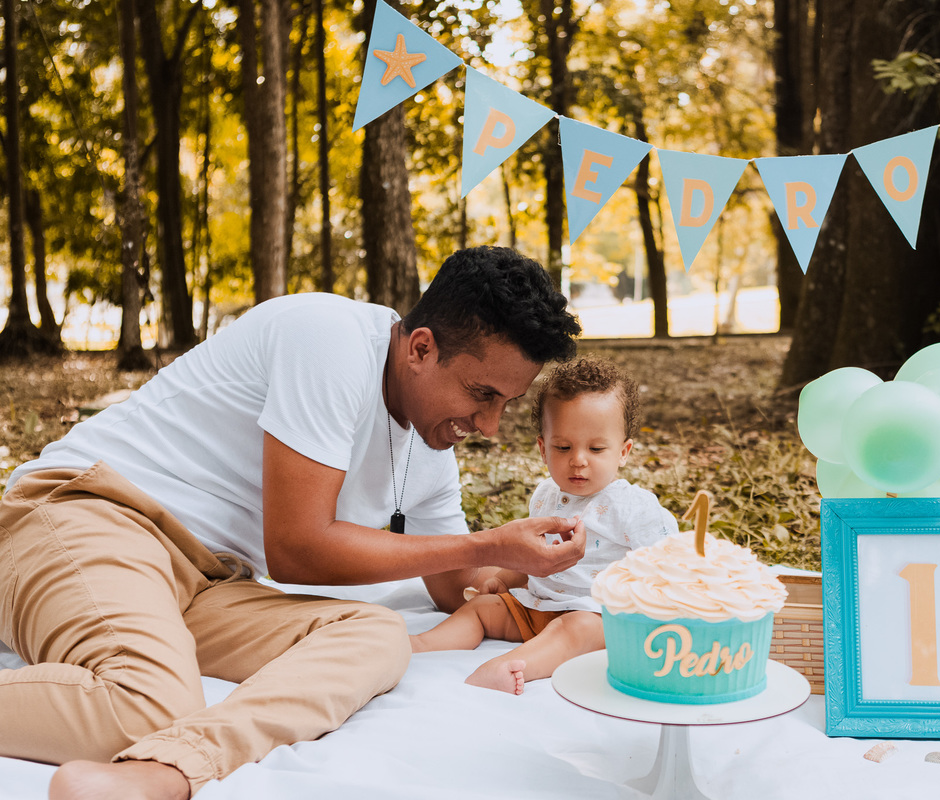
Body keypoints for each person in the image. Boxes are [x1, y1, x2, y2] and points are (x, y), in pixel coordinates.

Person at [0, 246, 586, 800]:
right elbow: (296, 549)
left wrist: (568, 575)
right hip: (92, 515)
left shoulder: (430, 449)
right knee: (142, 704)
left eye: (505, 404)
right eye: (480, 393)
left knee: (377, 635)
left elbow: (456, 581)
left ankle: (169, 767)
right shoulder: (328, 336)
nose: (488, 425)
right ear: (421, 348)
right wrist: (488, 543)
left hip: (208, 582)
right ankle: (159, 752)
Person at [410, 356, 678, 694]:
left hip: (594, 615)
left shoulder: (631, 507)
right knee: (481, 608)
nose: (578, 459)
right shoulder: (545, 496)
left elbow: (669, 563)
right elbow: (535, 558)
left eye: (596, 448)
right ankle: (420, 645)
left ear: (623, 452)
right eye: (563, 447)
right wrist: (503, 579)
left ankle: (515, 665)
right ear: (542, 448)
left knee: (574, 629)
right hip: (536, 605)